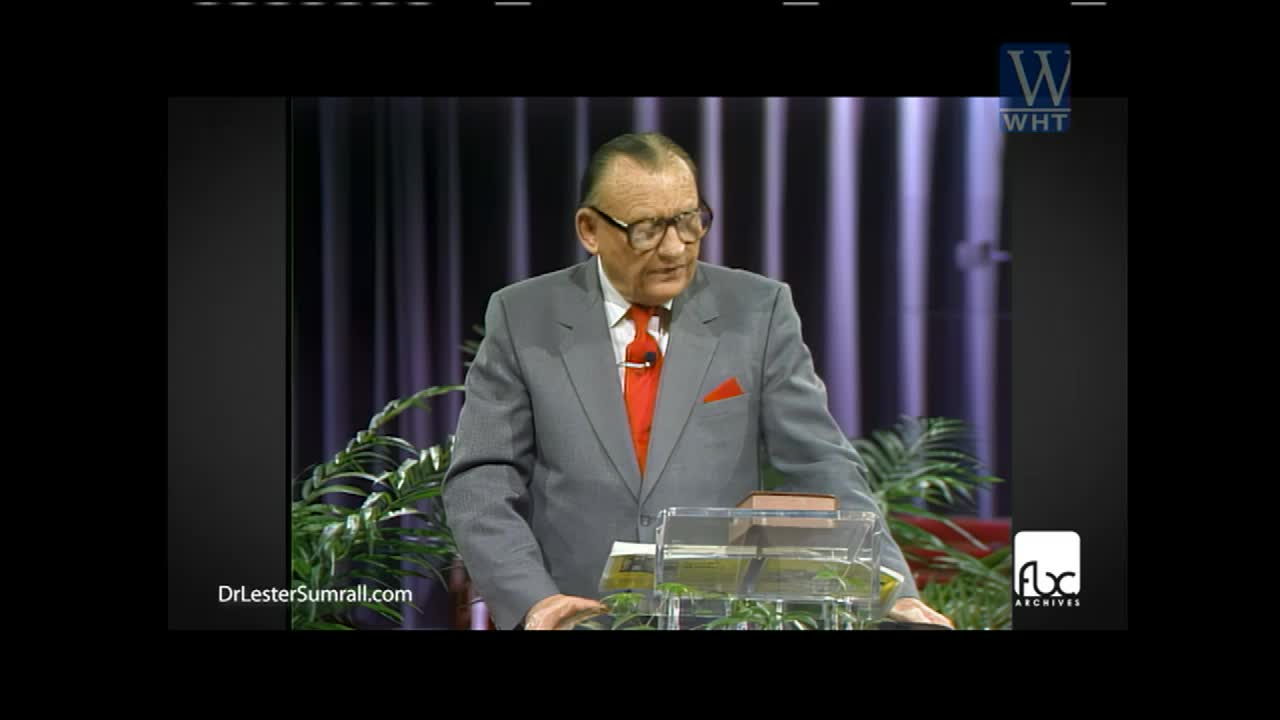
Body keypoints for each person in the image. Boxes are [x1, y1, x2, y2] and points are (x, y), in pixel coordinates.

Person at [442, 132, 953, 630]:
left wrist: (894, 592)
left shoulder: (757, 310)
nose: (675, 248)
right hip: (578, 618)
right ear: (590, 230)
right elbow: (481, 481)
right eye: (647, 229)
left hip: (720, 620)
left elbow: (821, 464)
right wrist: (536, 601)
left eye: (690, 221)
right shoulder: (523, 315)